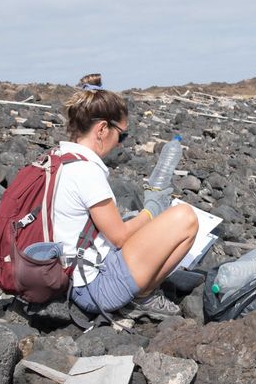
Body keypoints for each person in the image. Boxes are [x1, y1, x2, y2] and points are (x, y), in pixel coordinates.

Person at [52, 74, 198, 320]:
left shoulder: (59, 157)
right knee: (185, 218)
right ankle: (142, 297)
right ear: (102, 129)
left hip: (67, 272)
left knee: (133, 220)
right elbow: (119, 237)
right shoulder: (87, 171)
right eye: (122, 135)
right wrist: (151, 211)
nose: (120, 143)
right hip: (94, 288)